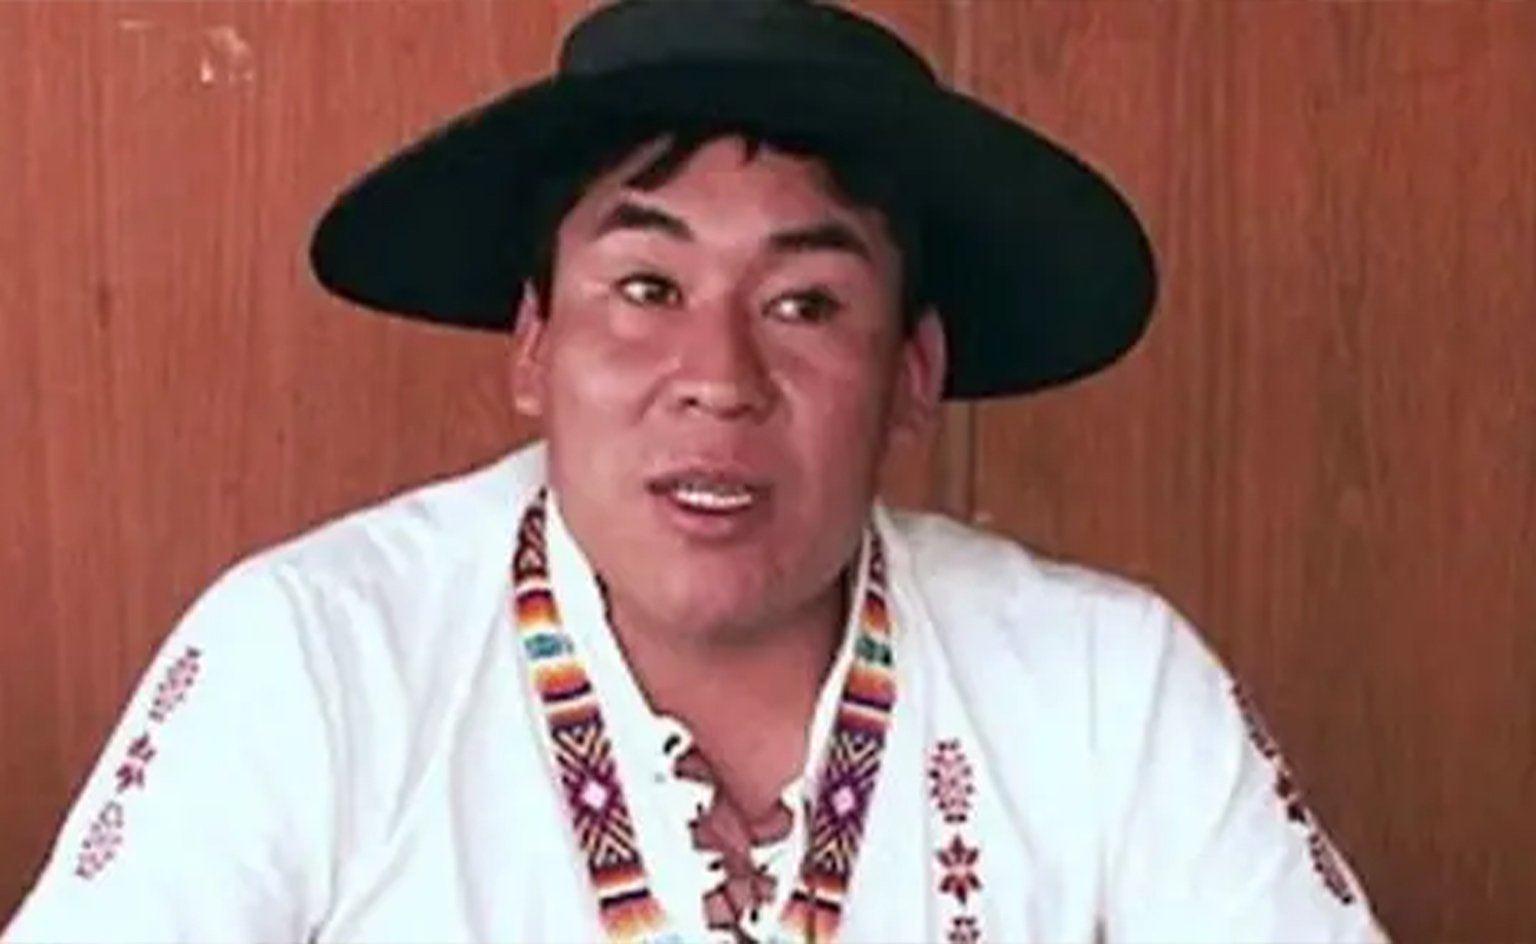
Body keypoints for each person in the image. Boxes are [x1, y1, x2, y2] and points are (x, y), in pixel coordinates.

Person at [4, 1, 1388, 942]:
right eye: (647, 288)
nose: (719, 376)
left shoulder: (1106, 690)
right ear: (535, 346)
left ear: (913, 372)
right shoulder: (312, 657)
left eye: (805, 304)